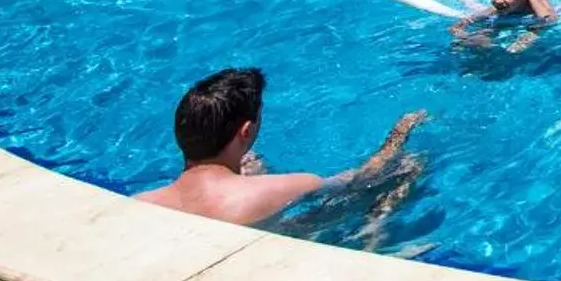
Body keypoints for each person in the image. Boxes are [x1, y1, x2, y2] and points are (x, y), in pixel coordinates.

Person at [137, 68, 425, 229]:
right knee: (404, 170)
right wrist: (398, 135)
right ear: (247, 131)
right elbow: (363, 177)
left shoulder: (142, 204)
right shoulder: (293, 186)